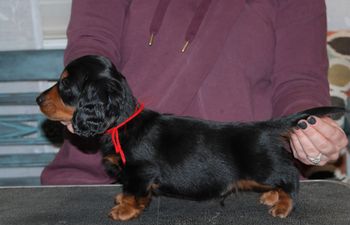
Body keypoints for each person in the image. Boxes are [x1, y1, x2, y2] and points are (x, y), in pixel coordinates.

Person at [41, 0, 348, 185]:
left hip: (246, 183)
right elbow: (93, 43)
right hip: (113, 177)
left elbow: (299, 80)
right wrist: (83, 96)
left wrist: (310, 130)